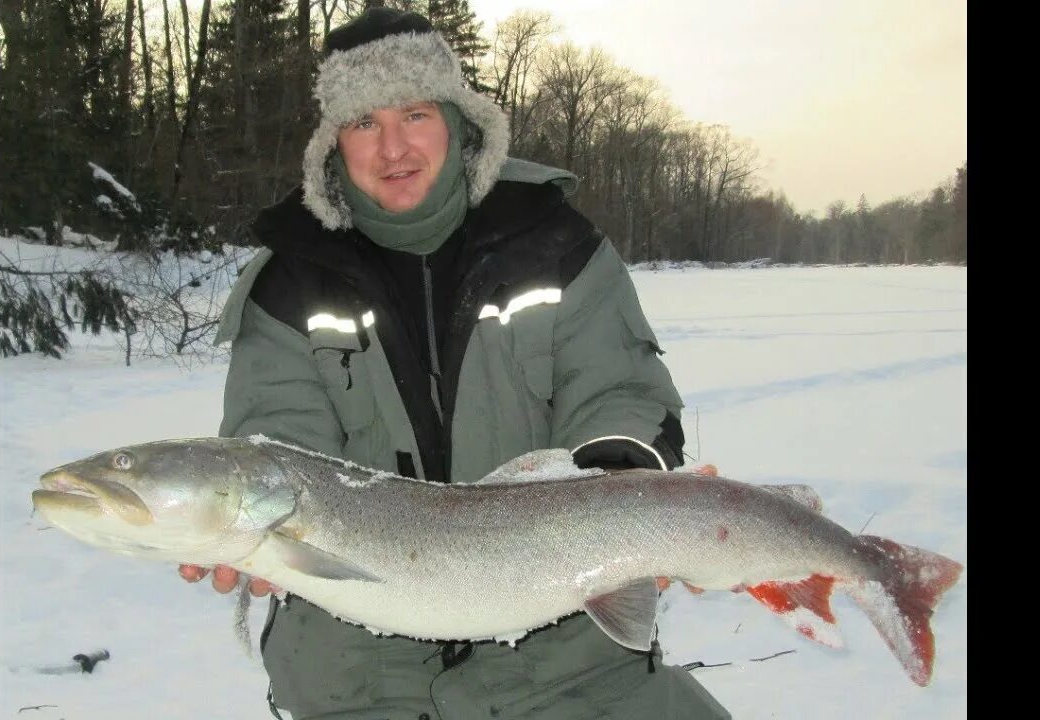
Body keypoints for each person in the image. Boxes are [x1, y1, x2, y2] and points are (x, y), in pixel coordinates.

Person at [182, 8, 732, 719]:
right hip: (358, 670)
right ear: (333, 147)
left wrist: (625, 491)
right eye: (363, 124)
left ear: (457, 121)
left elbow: (618, 389)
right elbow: (281, 448)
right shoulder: (288, 283)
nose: (392, 148)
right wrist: (257, 541)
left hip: (566, 646)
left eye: (414, 114)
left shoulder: (555, 241)